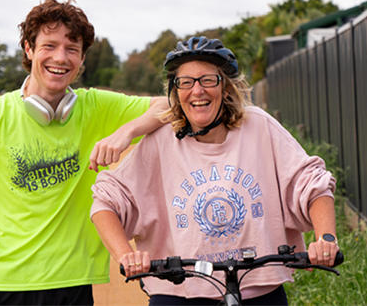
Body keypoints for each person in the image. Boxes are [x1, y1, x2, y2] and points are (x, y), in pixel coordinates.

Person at [0, 0, 168, 306]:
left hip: (74, 283)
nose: (61, 57)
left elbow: (169, 106)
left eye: (72, 49)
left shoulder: (96, 107)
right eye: (49, 46)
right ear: (29, 49)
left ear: (82, 59)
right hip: (6, 285)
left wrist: (126, 131)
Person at [90, 36, 339, 306]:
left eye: (208, 79)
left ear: (226, 87)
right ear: (175, 90)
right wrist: (126, 255)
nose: (197, 91)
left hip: (258, 290)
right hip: (178, 291)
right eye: (186, 82)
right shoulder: (161, 141)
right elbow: (106, 202)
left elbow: (311, 182)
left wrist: (325, 238)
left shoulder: (259, 127)